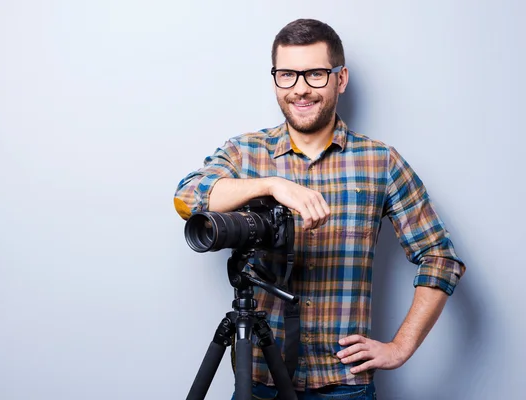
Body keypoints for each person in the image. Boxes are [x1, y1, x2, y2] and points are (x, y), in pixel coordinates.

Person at [173, 18, 466, 400]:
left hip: (344, 385)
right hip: (261, 382)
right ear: (274, 78)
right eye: (287, 75)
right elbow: (186, 198)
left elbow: (439, 257)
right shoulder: (245, 152)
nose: (300, 90)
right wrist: (271, 186)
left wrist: (399, 347)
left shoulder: (380, 162)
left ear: (340, 79)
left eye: (314, 74)